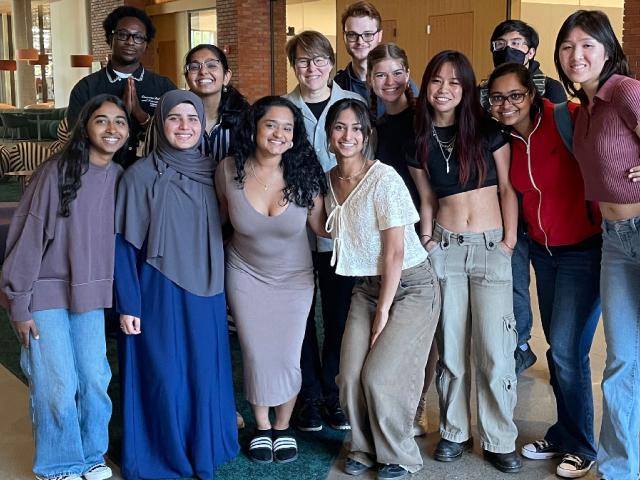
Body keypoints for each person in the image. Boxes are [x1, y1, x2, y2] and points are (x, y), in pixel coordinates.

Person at [1, 94, 130, 480]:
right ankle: (59, 464)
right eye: (102, 121)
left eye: (120, 121)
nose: (112, 129)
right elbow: (27, 239)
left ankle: (91, 456)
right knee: (57, 383)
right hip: (41, 294)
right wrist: (18, 303)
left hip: (89, 296)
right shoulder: (57, 171)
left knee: (94, 380)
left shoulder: (120, 178)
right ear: (85, 128)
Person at [115, 90, 238, 479]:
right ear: (160, 123)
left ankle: (203, 447)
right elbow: (122, 246)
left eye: (192, 118)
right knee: (164, 375)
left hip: (208, 290)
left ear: (203, 125)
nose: (184, 126)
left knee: (203, 372)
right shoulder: (140, 175)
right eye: (174, 118)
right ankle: (162, 452)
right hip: (156, 291)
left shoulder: (214, 171)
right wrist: (128, 303)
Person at [488, 62, 602, 478]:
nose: (506, 105)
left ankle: (583, 445)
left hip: (584, 252)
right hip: (544, 253)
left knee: (569, 352)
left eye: (514, 95)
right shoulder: (505, 142)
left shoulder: (566, 117)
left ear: (532, 94)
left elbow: (616, 138)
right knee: (558, 347)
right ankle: (563, 432)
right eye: (497, 98)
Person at [412, 50, 521, 473]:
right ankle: (454, 431)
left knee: (496, 349)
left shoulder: (489, 133)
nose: (445, 90)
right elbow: (426, 199)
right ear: (427, 86)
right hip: (447, 248)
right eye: (437, 81)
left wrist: (509, 241)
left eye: (455, 83)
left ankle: (499, 437)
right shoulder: (418, 141)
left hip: (493, 247)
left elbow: (508, 189)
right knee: (452, 348)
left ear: (467, 89)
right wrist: (428, 242)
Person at [323, 98, 440, 479]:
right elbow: (331, 231)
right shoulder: (329, 180)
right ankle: (362, 446)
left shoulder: (384, 177)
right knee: (350, 376)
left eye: (356, 128)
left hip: (411, 285)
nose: (348, 135)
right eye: (339, 127)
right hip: (367, 287)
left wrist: (383, 313)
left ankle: (399, 455)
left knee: (381, 376)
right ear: (329, 136)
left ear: (367, 135)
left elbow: (394, 252)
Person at [215, 95, 327, 464]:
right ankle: (262, 426)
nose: (279, 133)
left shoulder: (305, 174)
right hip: (244, 274)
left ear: (295, 136)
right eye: (270, 125)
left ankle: (283, 426)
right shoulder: (228, 170)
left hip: (295, 280)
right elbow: (218, 222)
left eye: (287, 127)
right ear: (254, 128)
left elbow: (323, 228)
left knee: (287, 353)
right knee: (256, 352)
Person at [555, 10, 640, 480]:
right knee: (622, 361)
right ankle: (619, 471)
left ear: (608, 49)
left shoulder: (625, 92)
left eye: (587, 44)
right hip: (614, 242)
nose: (576, 55)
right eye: (567, 47)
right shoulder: (582, 110)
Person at [284, 30, 362, 433]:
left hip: (339, 231)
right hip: (293, 231)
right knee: (298, 316)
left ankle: (334, 393)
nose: (311, 69)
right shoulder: (284, 108)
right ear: (292, 65)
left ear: (332, 63)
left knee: (339, 315)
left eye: (318, 61)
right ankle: (308, 395)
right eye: (302, 61)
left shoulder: (353, 105)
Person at [479, 19, 567, 375]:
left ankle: (559, 354)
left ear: (531, 50)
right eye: (500, 43)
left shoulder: (553, 92)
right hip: (507, 205)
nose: (507, 49)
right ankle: (519, 344)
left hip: (550, 215)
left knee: (556, 298)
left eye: (516, 42)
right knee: (515, 282)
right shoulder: (486, 93)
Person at [366, 42, 438, 437]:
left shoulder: (421, 120)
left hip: (425, 232)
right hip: (390, 236)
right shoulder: (373, 130)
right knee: (395, 326)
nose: (390, 82)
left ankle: (419, 402)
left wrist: (428, 232)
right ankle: (394, 399)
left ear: (408, 74)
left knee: (428, 331)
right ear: (370, 80)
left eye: (397, 73)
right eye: (381, 75)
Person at [68, 6, 175, 167]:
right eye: (123, 35)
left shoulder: (163, 86)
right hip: (100, 172)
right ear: (110, 38)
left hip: (152, 175)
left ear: (146, 44)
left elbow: (176, 135)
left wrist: (142, 116)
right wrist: (120, 112)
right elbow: (76, 138)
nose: (130, 41)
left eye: (138, 37)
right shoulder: (86, 88)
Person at [335, 1, 417, 118]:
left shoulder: (403, 86)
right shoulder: (337, 86)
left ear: (379, 35)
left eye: (368, 34)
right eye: (352, 34)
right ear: (344, 36)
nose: (360, 41)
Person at [183, 43, 249, 165]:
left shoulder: (246, 118)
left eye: (212, 65)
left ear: (226, 76)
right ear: (187, 78)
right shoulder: (171, 117)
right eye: (194, 67)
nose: (203, 71)